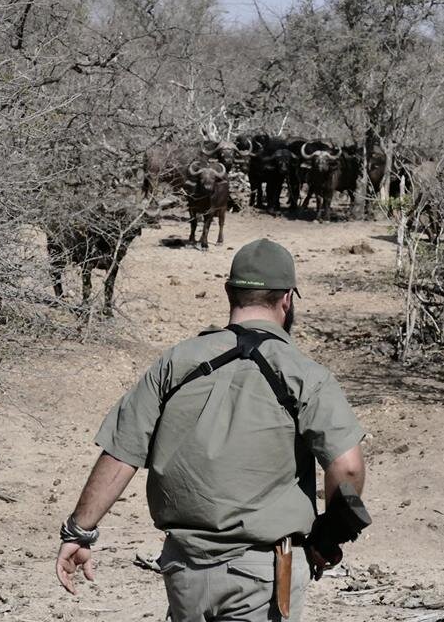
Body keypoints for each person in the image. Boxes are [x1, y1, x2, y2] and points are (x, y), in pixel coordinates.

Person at [54, 238, 367, 622]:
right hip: (264, 572)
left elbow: (121, 452)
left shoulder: (174, 363)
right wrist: (328, 538)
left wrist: (79, 532)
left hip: (183, 570)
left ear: (228, 292)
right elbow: (348, 467)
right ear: (287, 299)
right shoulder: (305, 374)